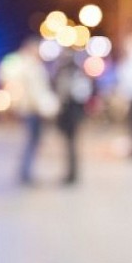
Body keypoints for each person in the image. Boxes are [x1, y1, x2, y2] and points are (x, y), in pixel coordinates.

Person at [12, 37, 59, 185]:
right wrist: (44, 107)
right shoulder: (30, 67)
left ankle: (26, 171)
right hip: (33, 109)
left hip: (32, 108)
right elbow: (35, 91)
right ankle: (26, 173)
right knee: (32, 141)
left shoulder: (30, 65)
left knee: (33, 141)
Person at [53, 52, 92, 185]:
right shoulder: (70, 74)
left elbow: (79, 94)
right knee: (70, 144)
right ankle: (71, 172)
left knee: (72, 144)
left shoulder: (74, 75)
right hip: (69, 113)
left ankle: (72, 173)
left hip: (71, 112)